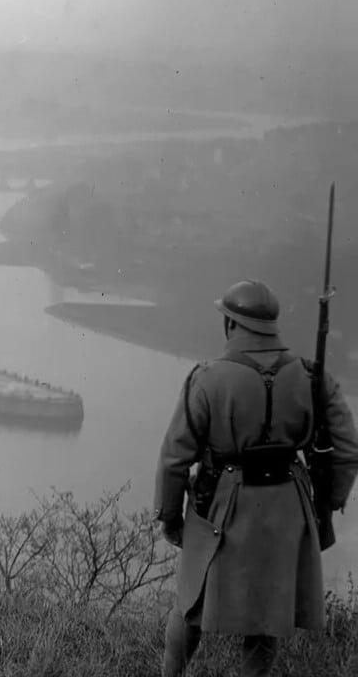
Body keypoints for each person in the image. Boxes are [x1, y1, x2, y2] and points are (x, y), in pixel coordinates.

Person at [154, 280, 358, 676]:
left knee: (189, 603)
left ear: (231, 324)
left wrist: (170, 517)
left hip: (219, 505)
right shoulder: (312, 376)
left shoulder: (207, 378)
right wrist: (326, 506)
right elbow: (348, 450)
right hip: (289, 507)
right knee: (268, 614)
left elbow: (175, 458)